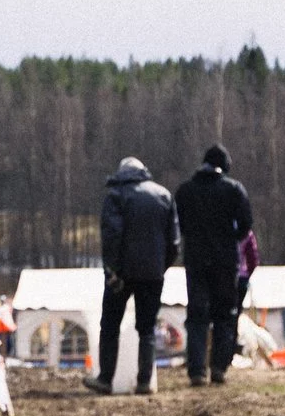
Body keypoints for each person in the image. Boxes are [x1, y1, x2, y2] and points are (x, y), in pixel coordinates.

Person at [84, 157, 178, 395]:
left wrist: (112, 270)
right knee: (147, 329)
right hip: (152, 273)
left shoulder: (116, 195)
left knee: (110, 325)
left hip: (122, 273)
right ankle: (145, 381)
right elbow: (173, 242)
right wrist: (161, 266)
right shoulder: (164, 195)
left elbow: (112, 236)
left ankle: (105, 379)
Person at [175, 145, 255, 386]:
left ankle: (197, 370)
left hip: (196, 260)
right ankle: (219, 367)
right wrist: (230, 240)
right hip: (225, 261)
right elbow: (245, 225)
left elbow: (177, 223)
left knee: (197, 315)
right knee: (224, 315)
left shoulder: (185, 190)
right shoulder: (233, 190)